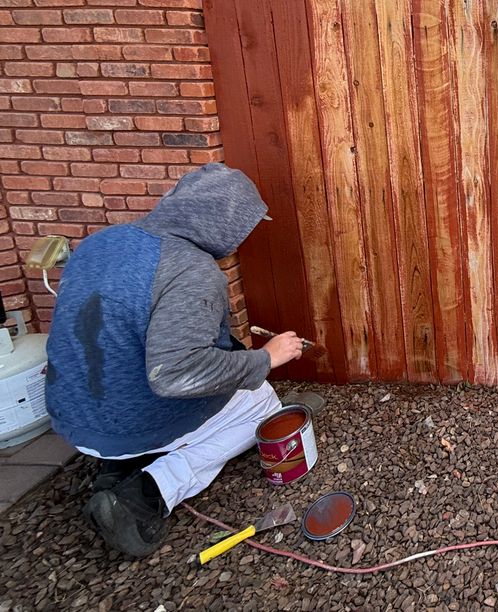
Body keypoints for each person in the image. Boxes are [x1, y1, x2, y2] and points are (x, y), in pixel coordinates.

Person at [45, 163, 306, 557]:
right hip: (128, 424)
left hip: (73, 421)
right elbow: (176, 376)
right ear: (225, 223)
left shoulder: (102, 242)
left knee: (235, 387)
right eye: (244, 228)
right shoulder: (191, 270)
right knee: (264, 405)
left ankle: (116, 467)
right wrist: (264, 359)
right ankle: (145, 494)